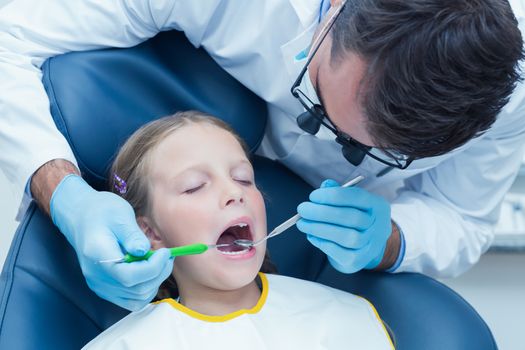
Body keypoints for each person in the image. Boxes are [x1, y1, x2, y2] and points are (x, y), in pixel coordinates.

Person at [0, 0, 524, 311]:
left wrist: (390, 241)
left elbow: (462, 217)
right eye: (318, 104)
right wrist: (64, 193)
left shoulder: (510, 99)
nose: (240, 196)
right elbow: (8, 36)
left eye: (372, 151)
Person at [82, 111, 394, 349]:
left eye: (243, 178)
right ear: (150, 233)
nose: (235, 192)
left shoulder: (342, 316)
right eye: (194, 187)